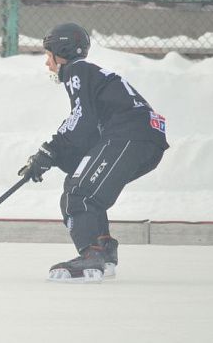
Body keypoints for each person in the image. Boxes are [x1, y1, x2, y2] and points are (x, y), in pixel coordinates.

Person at [18, 22, 169, 283]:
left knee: (79, 193)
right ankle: (103, 251)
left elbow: (81, 118)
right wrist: (53, 156)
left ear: (60, 51)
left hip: (129, 137)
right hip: (143, 140)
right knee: (81, 185)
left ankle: (91, 255)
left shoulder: (76, 71)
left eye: (48, 56)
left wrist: (47, 151)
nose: (47, 64)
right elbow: (87, 131)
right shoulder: (92, 74)